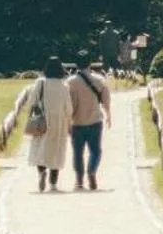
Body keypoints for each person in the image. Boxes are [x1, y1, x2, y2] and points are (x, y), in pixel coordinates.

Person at [25, 58, 74, 193]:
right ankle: (53, 183)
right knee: (56, 151)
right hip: (59, 122)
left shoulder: (40, 83)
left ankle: (42, 172)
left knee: (39, 148)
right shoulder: (64, 86)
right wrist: (69, 123)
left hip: (42, 121)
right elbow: (68, 108)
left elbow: (32, 101)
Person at [66, 60, 111, 191]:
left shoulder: (70, 82)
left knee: (77, 152)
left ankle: (79, 180)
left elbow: (67, 104)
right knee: (95, 150)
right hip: (95, 121)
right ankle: (91, 171)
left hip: (77, 122)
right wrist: (108, 115)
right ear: (89, 65)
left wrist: (67, 121)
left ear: (77, 65)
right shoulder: (99, 80)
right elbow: (106, 100)